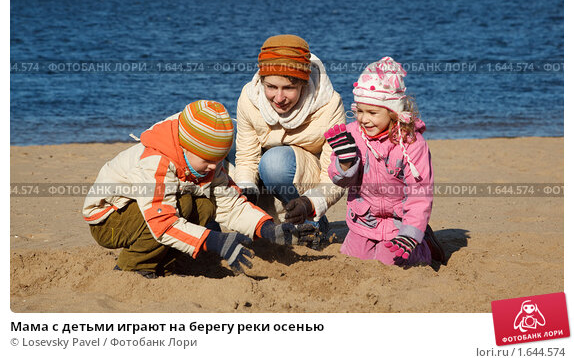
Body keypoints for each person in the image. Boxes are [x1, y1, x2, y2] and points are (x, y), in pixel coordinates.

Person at [83, 100, 310, 279]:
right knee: (184, 205)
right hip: (109, 219)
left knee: (204, 205)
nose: (215, 166)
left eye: (219, 159)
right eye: (208, 160)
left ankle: (168, 263)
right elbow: (163, 224)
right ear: (186, 148)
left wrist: (268, 228)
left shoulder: (205, 163)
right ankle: (132, 268)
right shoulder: (156, 162)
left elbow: (231, 204)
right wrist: (216, 241)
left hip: (145, 213)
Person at [324, 56, 446, 266]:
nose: (363, 119)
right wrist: (345, 162)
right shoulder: (352, 135)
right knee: (352, 260)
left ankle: (423, 241)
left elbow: (420, 193)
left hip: (399, 222)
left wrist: (410, 232)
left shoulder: (411, 142)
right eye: (359, 111)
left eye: (372, 112)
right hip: (364, 220)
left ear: (393, 112)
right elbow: (340, 181)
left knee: (390, 260)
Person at [230, 34, 346, 237]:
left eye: (289, 88)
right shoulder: (249, 98)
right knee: (218, 135)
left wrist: (310, 203)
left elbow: (335, 174)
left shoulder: (330, 104)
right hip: (264, 174)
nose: (279, 97)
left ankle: (310, 220)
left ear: (304, 82)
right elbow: (247, 156)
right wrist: (246, 188)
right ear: (261, 80)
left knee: (275, 162)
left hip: (302, 176)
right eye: (271, 87)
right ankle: (253, 217)